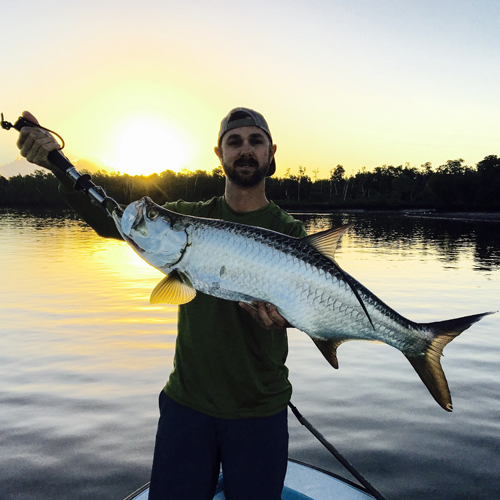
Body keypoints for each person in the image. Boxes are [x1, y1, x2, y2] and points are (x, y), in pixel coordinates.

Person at [17, 107, 307, 500]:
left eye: (255, 141)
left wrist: (287, 319)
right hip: (187, 408)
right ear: (218, 154)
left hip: (259, 412)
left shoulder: (289, 232)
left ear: (271, 153)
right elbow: (111, 221)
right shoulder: (188, 219)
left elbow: (314, 304)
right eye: (234, 142)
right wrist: (56, 165)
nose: (245, 150)